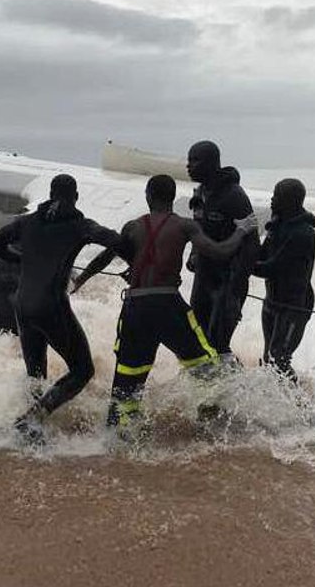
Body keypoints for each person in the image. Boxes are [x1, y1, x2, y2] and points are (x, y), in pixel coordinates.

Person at [72, 175, 259, 439]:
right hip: (168, 306)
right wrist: (242, 230)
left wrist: (81, 279)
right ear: (172, 197)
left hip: (135, 306)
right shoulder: (185, 226)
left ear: (148, 196)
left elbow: (108, 254)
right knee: (207, 366)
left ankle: (113, 439)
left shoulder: (132, 227)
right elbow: (219, 251)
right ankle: (214, 426)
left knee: (127, 377)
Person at [0, 174, 124, 442]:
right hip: (51, 306)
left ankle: (31, 433)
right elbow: (118, 242)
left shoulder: (26, 222)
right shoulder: (81, 226)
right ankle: (32, 418)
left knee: (35, 374)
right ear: (76, 197)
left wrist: (21, 258)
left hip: (22, 307)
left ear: (50, 194)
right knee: (83, 371)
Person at [185, 140, 260, 364]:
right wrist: (193, 255)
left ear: (212, 163)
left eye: (194, 160)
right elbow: (197, 229)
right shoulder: (200, 193)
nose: (188, 166)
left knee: (218, 344)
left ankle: (232, 388)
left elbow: (252, 243)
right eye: (188, 160)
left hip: (228, 281)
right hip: (204, 276)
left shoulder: (234, 195)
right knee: (198, 339)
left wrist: (235, 288)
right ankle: (206, 392)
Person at [252, 178, 315, 384]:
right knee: (269, 358)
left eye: (276, 196)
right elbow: (261, 255)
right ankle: (274, 404)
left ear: (290, 201)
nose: (272, 200)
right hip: (272, 302)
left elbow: (273, 268)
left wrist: (242, 266)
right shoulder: (277, 226)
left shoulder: (303, 233)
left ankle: (300, 408)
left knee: (279, 358)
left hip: (294, 307)